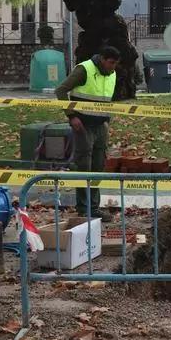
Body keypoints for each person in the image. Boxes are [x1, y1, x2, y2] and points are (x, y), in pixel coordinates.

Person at [55, 46, 121, 218]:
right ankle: (84, 210)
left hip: (101, 126)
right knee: (84, 166)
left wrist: (106, 121)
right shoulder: (84, 69)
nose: (113, 67)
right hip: (83, 126)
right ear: (103, 59)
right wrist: (71, 116)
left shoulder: (112, 74)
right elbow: (61, 90)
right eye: (111, 63)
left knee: (98, 167)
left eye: (115, 64)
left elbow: (106, 99)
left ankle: (94, 207)